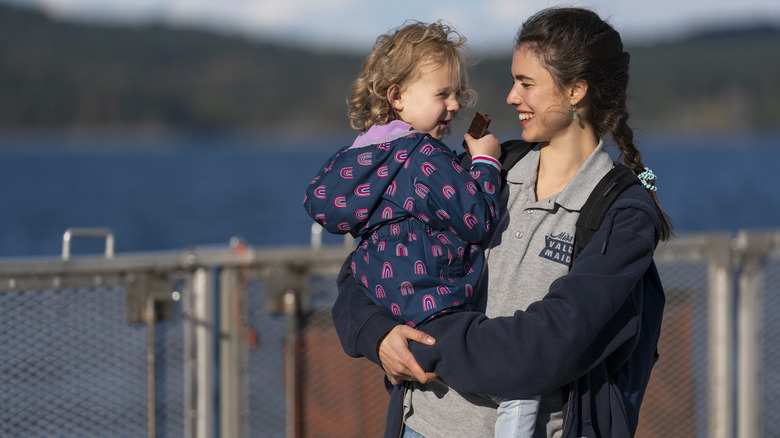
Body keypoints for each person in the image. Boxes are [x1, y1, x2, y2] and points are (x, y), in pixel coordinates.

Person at [331, 7, 673, 438]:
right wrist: (376, 334)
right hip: (420, 427)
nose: (511, 97)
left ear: (576, 90)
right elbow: (364, 267)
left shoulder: (623, 214)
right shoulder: (483, 171)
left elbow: (539, 350)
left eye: (526, 83)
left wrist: (427, 336)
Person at [303, 21, 542, 438]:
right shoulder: (421, 155)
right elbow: (477, 218)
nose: (453, 106)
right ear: (396, 96)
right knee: (519, 384)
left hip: (390, 306)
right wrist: (484, 162)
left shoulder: (364, 155)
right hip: (432, 302)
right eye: (442, 94)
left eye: (457, 95)